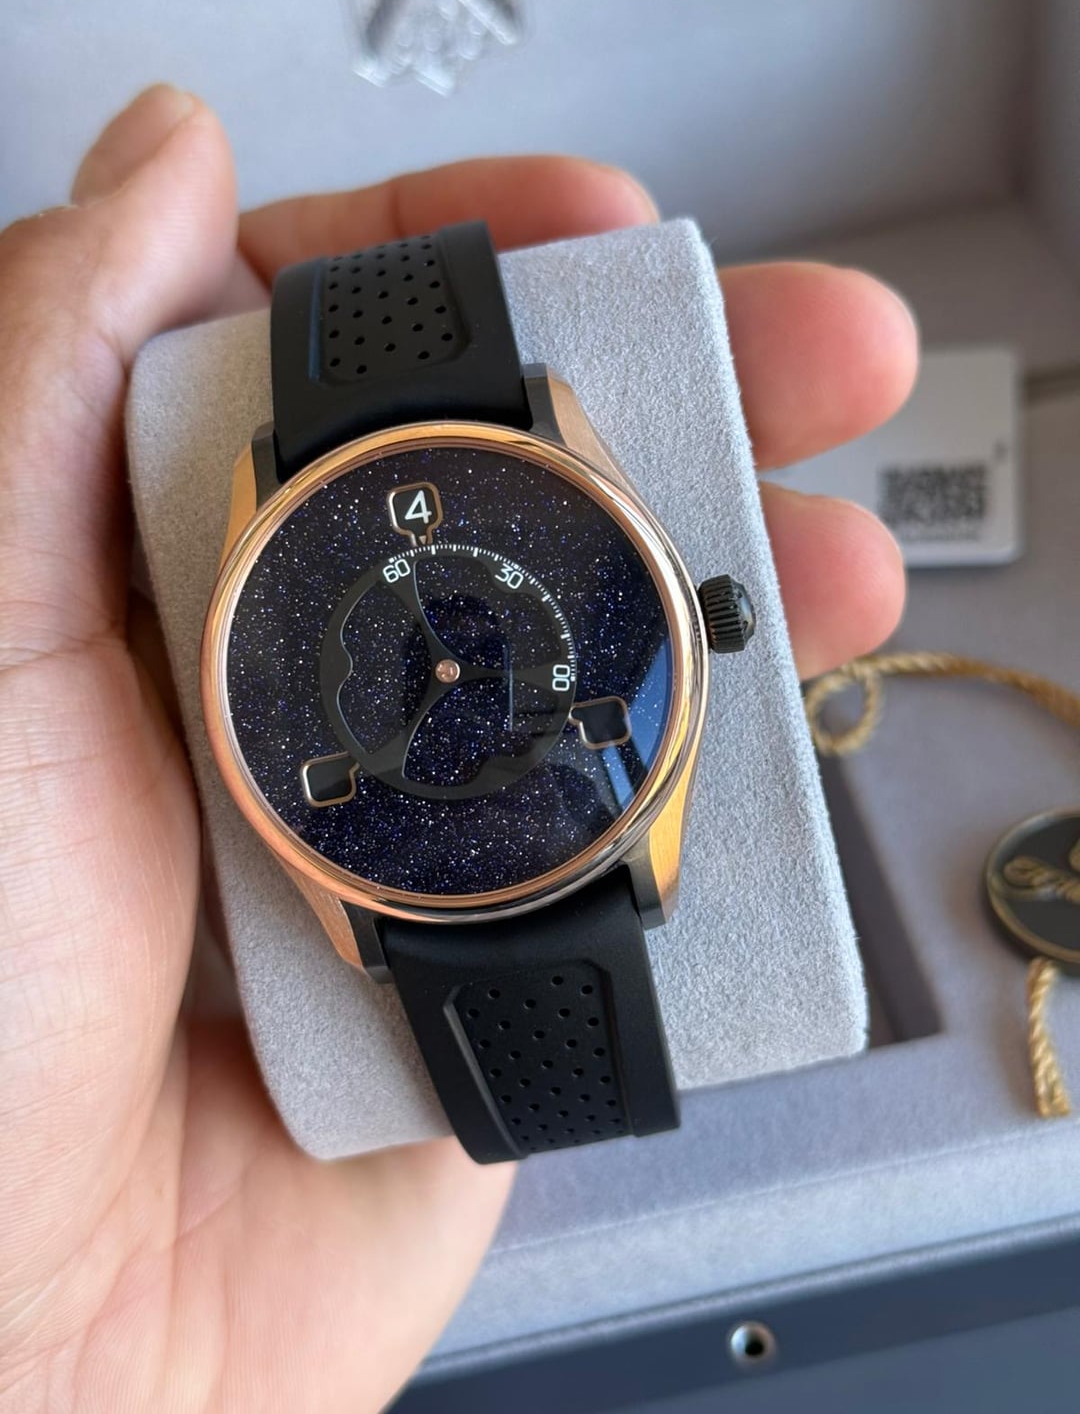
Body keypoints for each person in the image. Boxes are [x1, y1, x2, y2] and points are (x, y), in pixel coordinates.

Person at [0, 85, 915, 1411]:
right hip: (391, 893)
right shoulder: (347, 830)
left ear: (697, 609)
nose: (448, 665)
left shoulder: (550, 465)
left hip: (551, 852)